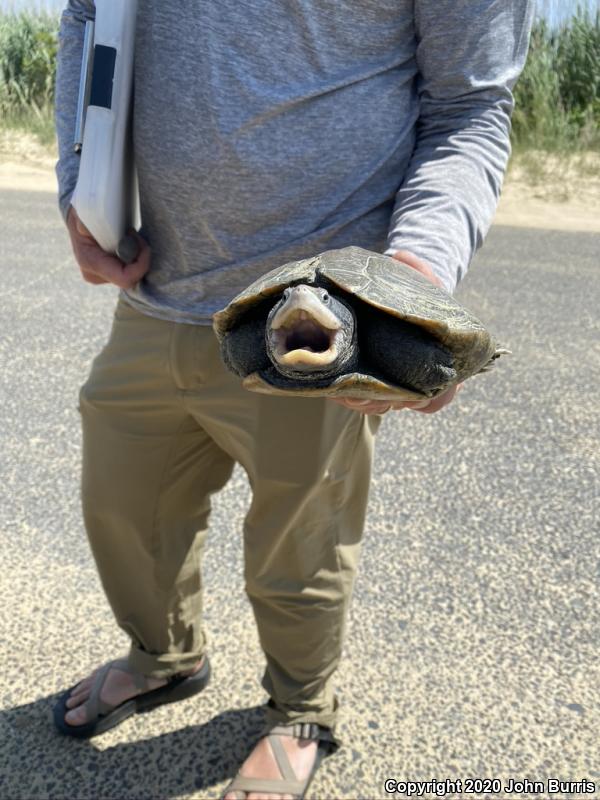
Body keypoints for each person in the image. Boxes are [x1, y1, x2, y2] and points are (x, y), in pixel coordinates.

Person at [53, 2, 533, 798]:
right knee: (123, 510)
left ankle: (299, 710)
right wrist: (80, 180)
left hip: (318, 318)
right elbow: (86, 15)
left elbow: (469, 106)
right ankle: (165, 656)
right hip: (154, 288)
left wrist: (411, 288)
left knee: (300, 547)